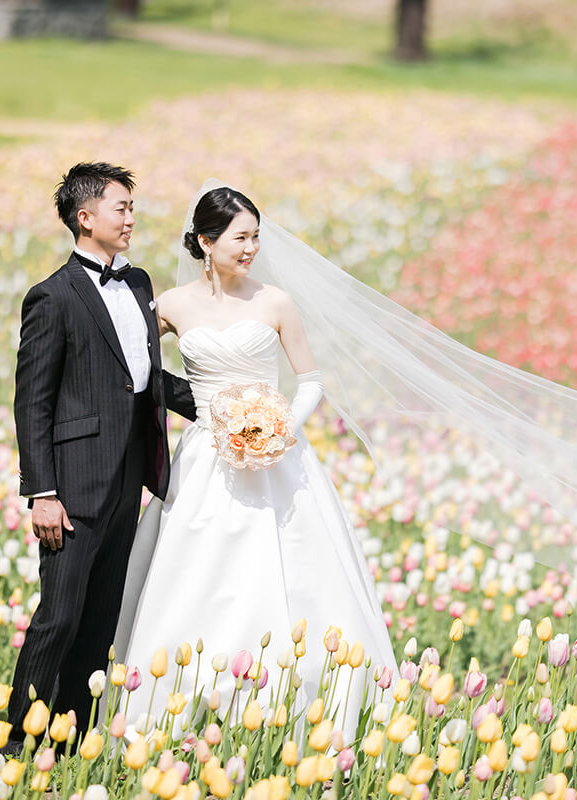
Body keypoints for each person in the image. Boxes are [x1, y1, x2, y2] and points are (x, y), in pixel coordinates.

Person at [113, 187, 397, 738]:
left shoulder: (275, 302)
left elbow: (311, 380)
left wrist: (279, 426)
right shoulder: (170, 305)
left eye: (256, 237)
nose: (252, 249)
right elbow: (130, 365)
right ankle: (182, 704)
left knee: (296, 567)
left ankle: (303, 706)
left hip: (277, 456)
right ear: (205, 241)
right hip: (205, 457)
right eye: (241, 238)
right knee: (197, 569)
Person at [8, 162, 197, 754]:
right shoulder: (51, 297)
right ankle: (17, 743)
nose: (131, 217)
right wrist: (42, 491)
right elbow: (31, 404)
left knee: (99, 627)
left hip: (127, 487)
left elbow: (141, 378)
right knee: (58, 619)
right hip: (72, 489)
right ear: (85, 218)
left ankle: (70, 745)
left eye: (132, 207)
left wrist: (215, 403)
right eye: (121, 207)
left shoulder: (139, 284)